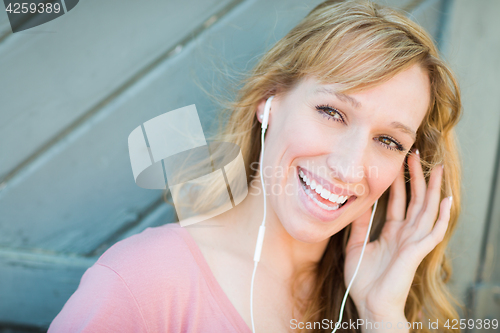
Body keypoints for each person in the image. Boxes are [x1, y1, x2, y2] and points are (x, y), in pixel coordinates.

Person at [48, 0, 462, 332]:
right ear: (270, 101)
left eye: (388, 141)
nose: (349, 167)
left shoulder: (387, 305)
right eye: (332, 112)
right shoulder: (142, 283)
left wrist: (380, 316)